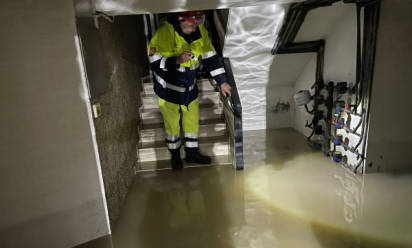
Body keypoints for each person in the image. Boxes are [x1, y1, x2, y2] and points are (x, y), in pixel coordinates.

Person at [147, 10, 231, 170]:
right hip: (168, 91)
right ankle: (175, 155)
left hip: (190, 90)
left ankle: (192, 153)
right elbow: (155, 61)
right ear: (181, 19)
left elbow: (211, 58)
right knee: (172, 125)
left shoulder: (201, 32)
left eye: (199, 21)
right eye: (193, 22)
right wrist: (176, 60)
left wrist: (222, 82)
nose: (196, 26)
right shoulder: (164, 33)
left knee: (191, 121)